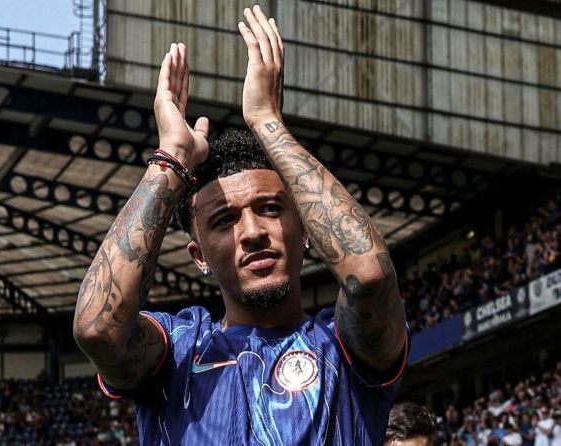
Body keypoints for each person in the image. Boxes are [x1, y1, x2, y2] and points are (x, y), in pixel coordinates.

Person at [73, 5, 408, 445]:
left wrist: (268, 124)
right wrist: (171, 158)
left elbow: (370, 274)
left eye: (270, 208)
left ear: (304, 228)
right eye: (225, 221)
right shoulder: (177, 352)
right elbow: (99, 328)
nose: (251, 232)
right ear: (199, 256)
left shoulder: (344, 348)